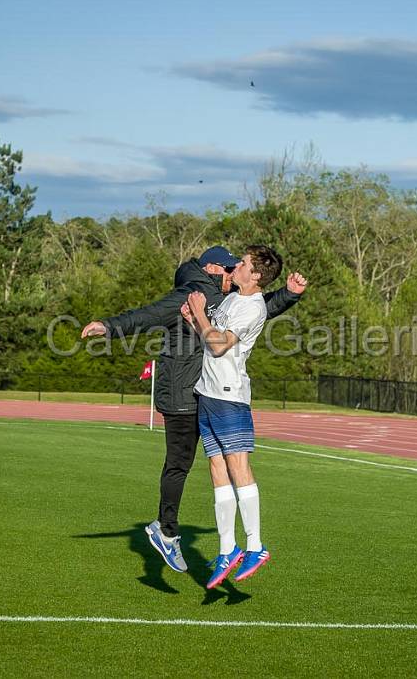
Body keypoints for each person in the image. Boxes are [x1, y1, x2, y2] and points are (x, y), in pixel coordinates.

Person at [81, 246, 307, 573]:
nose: (233, 272)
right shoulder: (191, 294)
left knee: (217, 465)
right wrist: (108, 326)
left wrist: (289, 294)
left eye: (238, 266)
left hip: (204, 391)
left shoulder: (222, 294)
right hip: (182, 393)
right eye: (230, 267)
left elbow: (257, 308)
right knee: (181, 463)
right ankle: (167, 531)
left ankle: (227, 547)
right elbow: (147, 315)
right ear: (213, 268)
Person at [180, 245, 282, 588]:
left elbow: (221, 344)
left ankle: (256, 546)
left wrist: (201, 314)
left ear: (255, 275)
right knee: (217, 470)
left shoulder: (253, 306)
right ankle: (228, 549)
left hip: (229, 396)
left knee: (239, 469)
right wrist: (194, 320)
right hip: (208, 392)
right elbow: (209, 340)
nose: (236, 266)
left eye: (243, 264)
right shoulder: (232, 299)